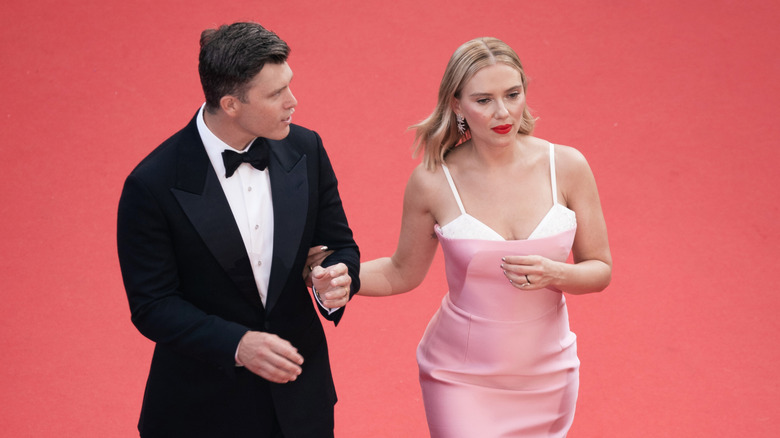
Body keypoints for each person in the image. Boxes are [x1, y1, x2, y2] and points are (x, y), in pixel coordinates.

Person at [356, 38, 612, 437]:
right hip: (460, 378)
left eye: (513, 94)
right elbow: (400, 272)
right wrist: (340, 275)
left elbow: (600, 269)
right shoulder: (433, 181)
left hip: (548, 375)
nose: (503, 112)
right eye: (484, 100)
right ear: (456, 104)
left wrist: (553, 274)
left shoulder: (567, 166)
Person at [116, 22, 359, 438]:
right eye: (275, 94)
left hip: (301, 403)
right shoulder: (152, 184)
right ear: (230, 104)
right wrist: (237, 344)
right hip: (201, 410)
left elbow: (338, 244)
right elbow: (152, 304)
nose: (293, 102)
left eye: (289, 85)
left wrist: (334, 280)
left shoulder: (307, 149)